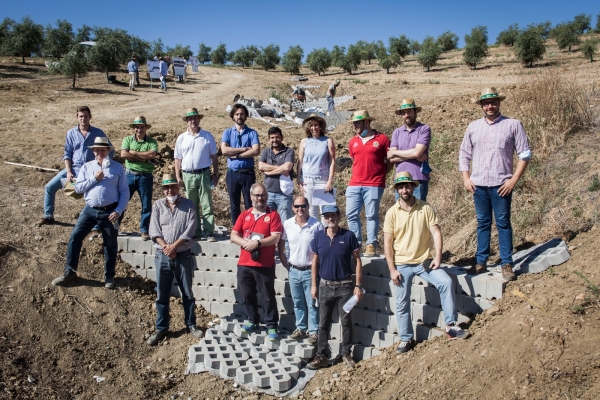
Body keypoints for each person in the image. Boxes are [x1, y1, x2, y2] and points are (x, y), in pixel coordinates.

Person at [383, 171, 470, 354]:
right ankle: (406, 339)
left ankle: (451, 326)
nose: (404, 189)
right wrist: (392, 269)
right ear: (397, 190)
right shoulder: (392, 213)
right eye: (401, 187)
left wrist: (438, 257)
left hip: (423, 262)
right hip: (402, 265)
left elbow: (436, 232)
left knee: (445, 282)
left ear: (413, 187)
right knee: (402, 303)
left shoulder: (425, 208)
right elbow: (387, 243)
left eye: (407, 186)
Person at [459, 88, 532, 281]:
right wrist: (466, 178)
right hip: (479, 185)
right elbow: (464, 154)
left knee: (503, 223)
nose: (489, 106)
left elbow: (525, 154)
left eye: (493, 102)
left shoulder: (513, 125)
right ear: (481, 106)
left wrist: (513, 179)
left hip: (502, 184)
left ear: (499, 103)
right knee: (483, 223)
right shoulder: (473, 127)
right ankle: (481, 261)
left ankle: (506, 263)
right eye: (486, 103)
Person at [51, 137, 129, 289]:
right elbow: (78, 189)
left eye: (103, 150)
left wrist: (118, 211)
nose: (100, 152)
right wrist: (94, 178)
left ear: (108, 151)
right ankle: (70, 271)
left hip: (110, 211)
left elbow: (124, 192)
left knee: (110, 244)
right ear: (93, 151)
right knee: (75, 236)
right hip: (90, 210)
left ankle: (109, 276)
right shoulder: (87, 167)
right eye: (97, 150)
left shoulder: (118, 168)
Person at [146, 174, 204, 346]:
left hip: (183, 255)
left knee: (187, 292)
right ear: (163, 189)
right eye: (166, 187)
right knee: (162, 294)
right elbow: (154, 230)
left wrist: (174, 247)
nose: (169, 190)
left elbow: (190, 230)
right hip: (162, 256)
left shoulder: (189, 205)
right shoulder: (157, 205)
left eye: (172, 186)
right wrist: (166, 247)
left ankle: (191, 324)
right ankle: (161, 327)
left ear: (178, 187)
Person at [37, 106, 112, 230]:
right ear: (77, 118)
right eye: (81, 116)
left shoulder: (98, 133)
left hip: (90, 171)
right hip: (74, 168)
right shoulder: (71, 133)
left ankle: (96, 226)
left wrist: (101, 166)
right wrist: (68, 171)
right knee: (49, 187)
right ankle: (48, 215)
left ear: (90, 117)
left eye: (85, 116)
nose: (83, 119)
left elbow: (109, 150)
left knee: (94, 196)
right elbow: (67, 153)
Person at [307, 205, 363, 370]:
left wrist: (358, 285)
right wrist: (314, 285)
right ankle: (321, 356)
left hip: (345, 287)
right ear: (324, 218)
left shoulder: (349, 236)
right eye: (327, 216)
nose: (330, 219)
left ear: (339, 216)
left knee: (346, 322)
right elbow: (315, 262)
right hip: (325, 286)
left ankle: (346, 353)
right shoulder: (318, 237)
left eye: (333, 216)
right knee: (323, 323)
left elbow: (358, 261)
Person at [230, 183, 283, 341]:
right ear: (252, 196)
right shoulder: (244, 214)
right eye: (257, 195)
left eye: (263, 195)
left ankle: (271, 325)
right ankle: (252, 320)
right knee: (247, 295)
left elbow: (275, 237)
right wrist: (246, 243)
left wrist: (258, 243)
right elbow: (233, 235)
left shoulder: (273, 215)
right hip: (244, 264)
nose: (261, 198)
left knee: (268, 296)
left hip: (264, 264)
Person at [345, 110, 392, 257]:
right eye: (354, 123)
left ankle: (371, 244)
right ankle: (356, 243)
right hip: (354, 183)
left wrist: (382, 173)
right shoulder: (353, 141)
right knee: (351, 214)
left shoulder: (382, 139)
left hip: (374, 183)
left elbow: (390, 160)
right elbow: (355, 160)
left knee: (371, 215)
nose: (355, 126)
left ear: (366, 122)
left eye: (357, 123)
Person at [174, 108, 219, 241]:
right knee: (191, 205)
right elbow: (177, 158)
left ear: (199, 119)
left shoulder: (207, 136)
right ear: (187, 121)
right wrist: (178, 176)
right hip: (187, 175)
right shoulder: (182, 138)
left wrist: (215, 173)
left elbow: (214, 157)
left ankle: (209, 232)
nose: (193, 121)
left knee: (206, 203)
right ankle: (195, 232)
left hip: (204, 173)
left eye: (195, 118)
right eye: (190, 118)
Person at [284, 196, 323, 345]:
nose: (300, 209)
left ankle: (313, 332)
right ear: (293, 208)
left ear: (307, 206)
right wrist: (285, 261)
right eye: (297, 206)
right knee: (298, 302)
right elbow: (282, 244)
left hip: (309, 271)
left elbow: (319, 251)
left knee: (312, 303)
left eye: (303, 206)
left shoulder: (317, 225)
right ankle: (300, 328)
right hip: (293, 270)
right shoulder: (288, 224)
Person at [119, 116, 158, 240]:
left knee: (146, 205)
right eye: (137, 127)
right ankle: (115, 226)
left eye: (142, 127)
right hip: (129, 175)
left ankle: (144, 230)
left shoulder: (152, 142)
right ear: (133, 128)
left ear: (146, 128)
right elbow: (123, 154)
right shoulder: (127, 140)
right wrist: (144, 157)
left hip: (145, 177)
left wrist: (134, 153)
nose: (139, 130)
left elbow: (152, 154)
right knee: (122, 201)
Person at [220, 104, 260, 225]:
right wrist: (243, 150)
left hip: (247, 173)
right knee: (234, 204)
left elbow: (256, 150)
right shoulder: (227, 132)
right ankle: (236, 230)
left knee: (250, 203)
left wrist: (236, 155)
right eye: (237, 114)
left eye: (242, 114)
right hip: (232, 174)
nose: (239, 116)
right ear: (233, 116)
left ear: (246, 116)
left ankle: (250, 229)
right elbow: (224, 151)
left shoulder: (252, 133)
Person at [387, 99, 431, 201]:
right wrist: (414, 155)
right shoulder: (397, 132)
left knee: (418, 214)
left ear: (415, 112)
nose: (407, 115)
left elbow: (417, 152)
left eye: (410, 111)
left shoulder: (424, 129)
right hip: (400, 180)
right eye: (404, 112)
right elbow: (391, 158)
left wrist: (395, 152)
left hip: (418, 180)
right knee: (401, 214)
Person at [297, 114, 335, 219]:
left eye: (316, 125)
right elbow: (300, 161)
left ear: (320, 126)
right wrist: (299, 179)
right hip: (307, 180)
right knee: (310, 210)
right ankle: (315, 234)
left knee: (326, 211)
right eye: (311, 125)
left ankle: (326, 234)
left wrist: (330, 180)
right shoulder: (304, 141)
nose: (314, 128)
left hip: (323, 180)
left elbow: (332, 161)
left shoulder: (328, 141)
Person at [258, 127, 295, 224]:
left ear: (282, 137)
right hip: (268, 192)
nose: (275, 140)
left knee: (286, 222)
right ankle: (270, 239)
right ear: (268, 139)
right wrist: (280, 168)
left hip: (284, 193)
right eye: (272, 137)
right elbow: (261, 166)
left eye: (277, 137)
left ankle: (286, 240)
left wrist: (269, 171)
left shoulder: (289, 151)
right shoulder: (266, 151)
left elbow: (287, 167)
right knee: (267, 221)